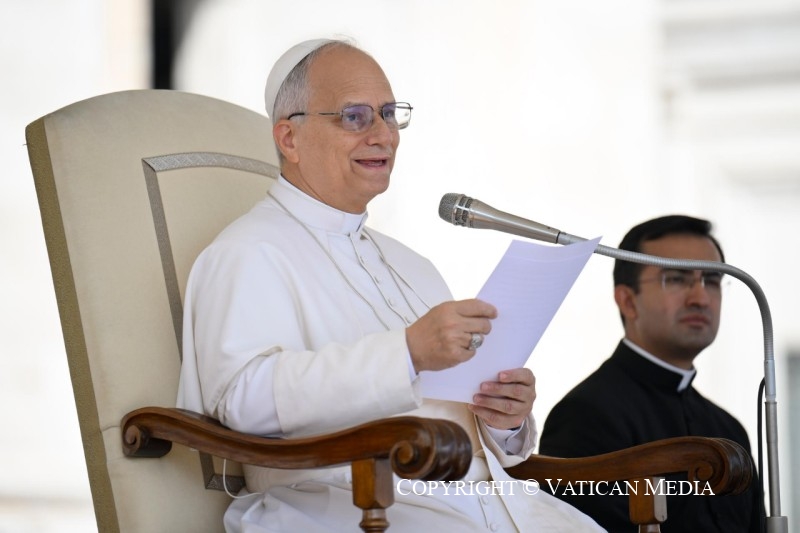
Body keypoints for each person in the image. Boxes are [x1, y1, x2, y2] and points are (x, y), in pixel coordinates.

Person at [177, 38, 603, 532]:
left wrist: (502, 421)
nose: (383, 134)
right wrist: (406, 351)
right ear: (289, 139)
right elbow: (242, 400)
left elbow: (456, 413)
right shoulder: (245, 253)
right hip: (354, 507)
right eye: (354, 116)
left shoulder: (412, 265)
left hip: (489, 503)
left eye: (388, 113)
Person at [539, 215, 763, 532]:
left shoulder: (729, 429)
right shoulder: (585, 415)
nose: (700, 297)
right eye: (675, 279)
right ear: (627, 300)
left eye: (711, 281)